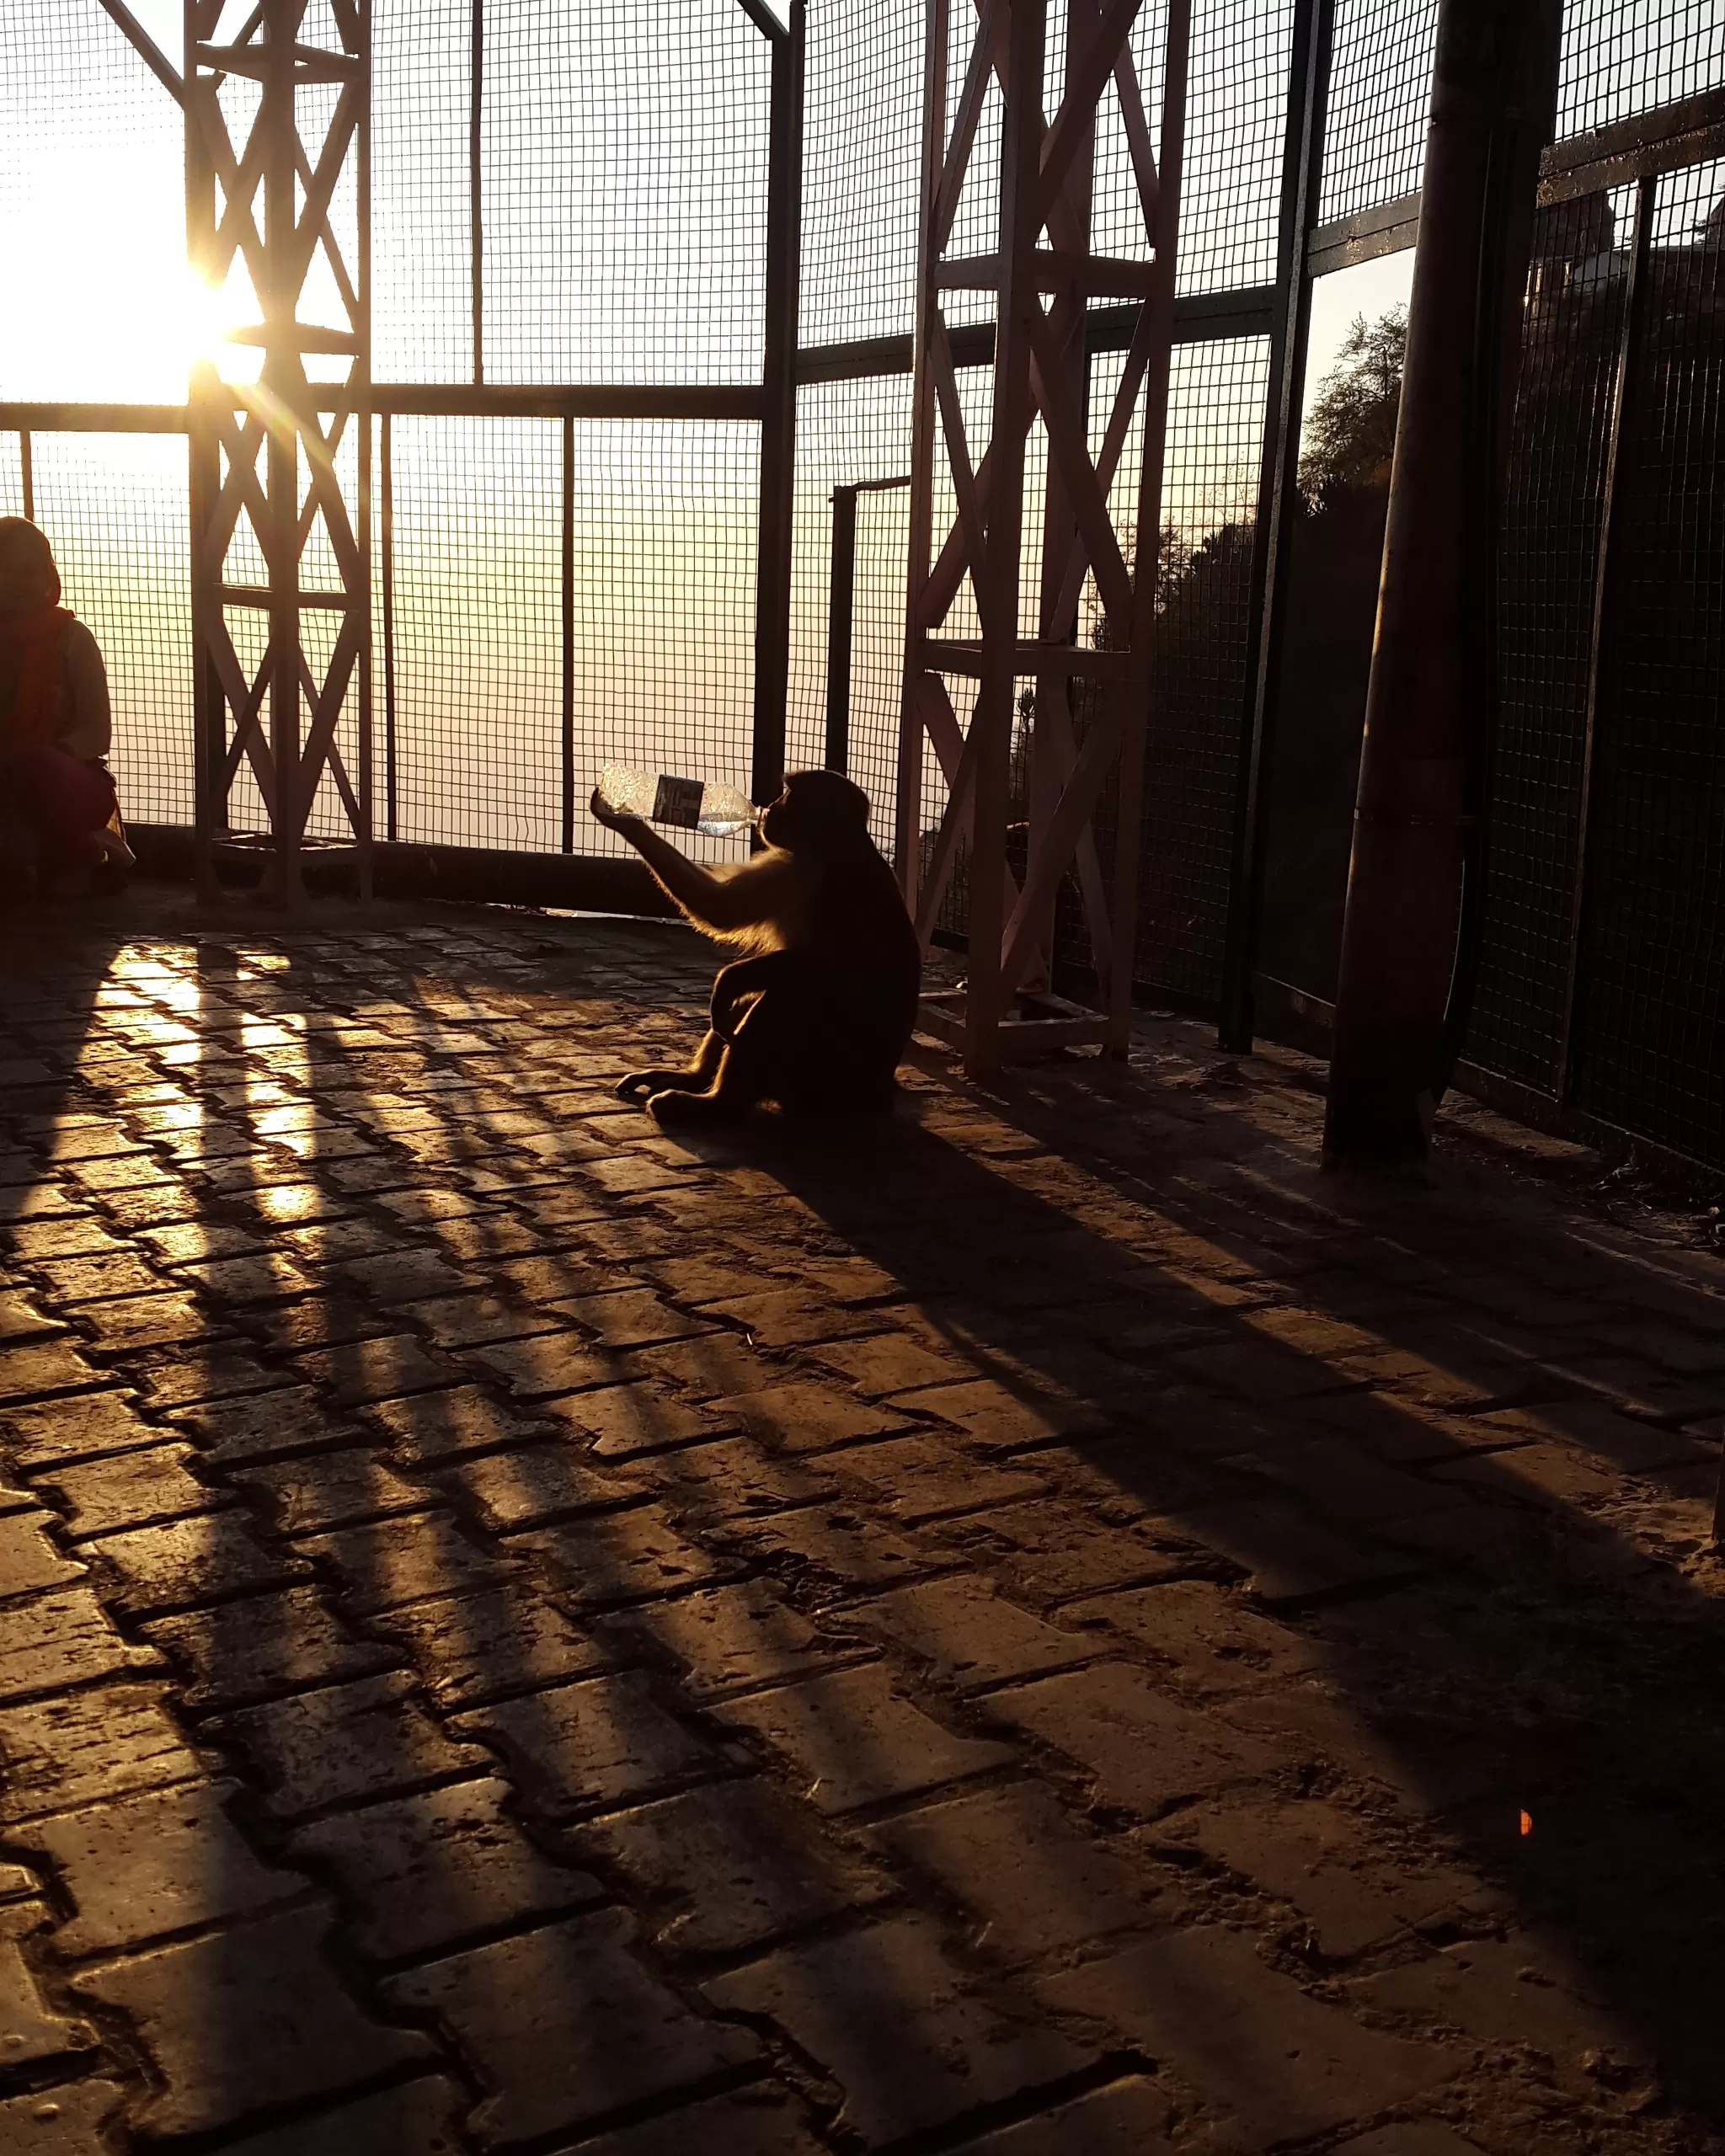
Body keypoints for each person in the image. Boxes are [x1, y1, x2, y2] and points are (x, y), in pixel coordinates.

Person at [0, 516, 131, 899]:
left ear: (48, 575)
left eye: (30, 571)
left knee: (36, 766)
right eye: (8, 571)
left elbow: (96, 733)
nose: (20, 582)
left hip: (63, 783)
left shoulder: (72, 639)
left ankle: (81, 859)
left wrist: (40, 757)